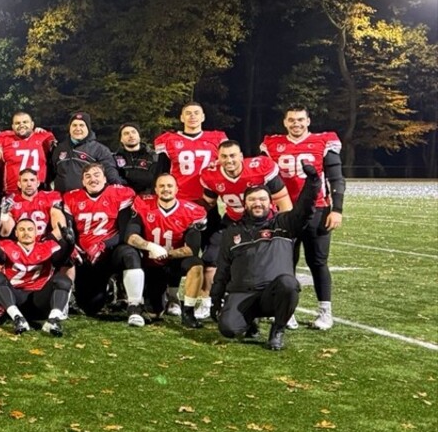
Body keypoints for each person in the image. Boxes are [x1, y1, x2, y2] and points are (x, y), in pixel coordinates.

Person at [210, 162, 322, 351]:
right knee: (228, 329)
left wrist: (312, 181)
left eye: (262, 199)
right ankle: (249, 322)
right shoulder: (232, 231)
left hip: (272, 293)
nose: (257, 203)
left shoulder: (285, 223)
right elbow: (223, 268)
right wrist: (216, 298)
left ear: (271, 202)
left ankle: (277, 330)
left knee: (289, 284)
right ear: (245, 204)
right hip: (243, 293)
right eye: (252, 200)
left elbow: (305, 208)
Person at [260, 107, 345, 331]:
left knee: (317, 262)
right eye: (291, 120)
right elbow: (263, 178)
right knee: (285, 262)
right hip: (285, 212)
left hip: (316, 209)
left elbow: (336, 178)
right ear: (285, 122)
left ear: (308, 120)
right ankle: (286, 311)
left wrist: (337, 209)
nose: (296, 124)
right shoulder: (272, 145)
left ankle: (325, 312)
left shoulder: (323, 142)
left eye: (300, 119)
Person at [62, 162, 143, 325]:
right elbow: (69, 230)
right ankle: (104, 289)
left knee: (130, 253)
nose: (93, 179)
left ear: (105, 178)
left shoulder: (120, 193)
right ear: (83, 181)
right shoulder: (71, 197)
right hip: (85, 257)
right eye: (88, 176)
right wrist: (73, 248)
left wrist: (104, 245)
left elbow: (124, 231)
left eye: (97, 175)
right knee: (90, 307)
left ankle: (134, 307)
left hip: (110, 253)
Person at [125, 173, 208, 328]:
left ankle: (188, 312)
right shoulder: (143, 205)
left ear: (177, 189)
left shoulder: (191, 211)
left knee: (196, 264)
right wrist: (150, 247)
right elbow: (130, 236)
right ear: (155, 189)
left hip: (175, 261)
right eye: (161, 186)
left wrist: (166, 253)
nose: (166, 189)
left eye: (170, 186)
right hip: (151, 263)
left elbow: (192, 249)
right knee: (154, 314)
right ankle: (165, 298)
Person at [0, 216, 74, 336]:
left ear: (36, 232)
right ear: (16, 233)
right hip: (15, 299)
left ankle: (53, 320)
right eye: (22, 229)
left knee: (63, 280)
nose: (26, 233)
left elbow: (60, 261)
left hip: (40, 300)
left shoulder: (48, 246)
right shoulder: (6, 245)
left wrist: (69, 245)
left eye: (29, 229)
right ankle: (18, 319)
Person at [154, 102, 226, 206]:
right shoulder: (169, 140)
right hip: (179, 198)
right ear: (182, 118)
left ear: (203, 117)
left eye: (196, 113)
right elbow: (162, 171)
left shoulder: (216, 138)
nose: (192, 116)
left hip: (208, 197)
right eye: (188, 113)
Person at [52, 112, 120, 194]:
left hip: (88, 200)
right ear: (69, 128)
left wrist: (118, 186)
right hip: (62, 199)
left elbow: (110, 172)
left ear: (88, 128)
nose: (77, 128)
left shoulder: (99, 149)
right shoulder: (59, 148)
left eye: (81, 125)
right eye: (74, 125)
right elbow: (52, 172)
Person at [113, 123, 158, 196]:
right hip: (123, 198)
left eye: (133, 132)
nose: (131, 135)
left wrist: (127, 175)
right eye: (126, 133)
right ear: (121, 139)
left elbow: (154, 180)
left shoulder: (154, 156)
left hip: (148, 198)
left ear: (139, 136)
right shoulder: (114, 158)